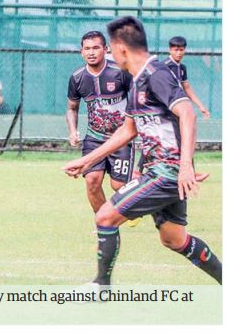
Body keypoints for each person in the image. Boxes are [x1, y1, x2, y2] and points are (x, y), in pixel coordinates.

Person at [63, 16, 220, 287]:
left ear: (121, 49)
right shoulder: (137, 82)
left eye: (110, 49)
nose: (109, 56)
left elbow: (187, 114)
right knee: (174, 239)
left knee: (105, 217)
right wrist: (86, 160)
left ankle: (101, 287)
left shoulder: (156, 74)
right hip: (161, 171)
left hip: (166, 172)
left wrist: (184, 166)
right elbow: (128, 130)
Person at [66, 31, 134, 216]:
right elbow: (72, 108)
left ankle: (135, 197)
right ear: (81, 52)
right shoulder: (77, 78)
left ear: (105, 49)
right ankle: (106, 225)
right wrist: (72, 130)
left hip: (120, 139)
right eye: (87, 48)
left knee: (119, 186)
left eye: (96, 48)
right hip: (94, 138)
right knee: (92, 181)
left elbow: (139, 99)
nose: (91, 52)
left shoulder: (120, 72)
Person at [164, 36, 210, 118]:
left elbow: (187, 87)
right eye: (176, 50)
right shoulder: (164, 67)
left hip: (176, 103)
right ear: (170, 50)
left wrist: (201, 106)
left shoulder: (182, 68)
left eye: (181, 50)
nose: (179, 53)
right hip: (165, 107)